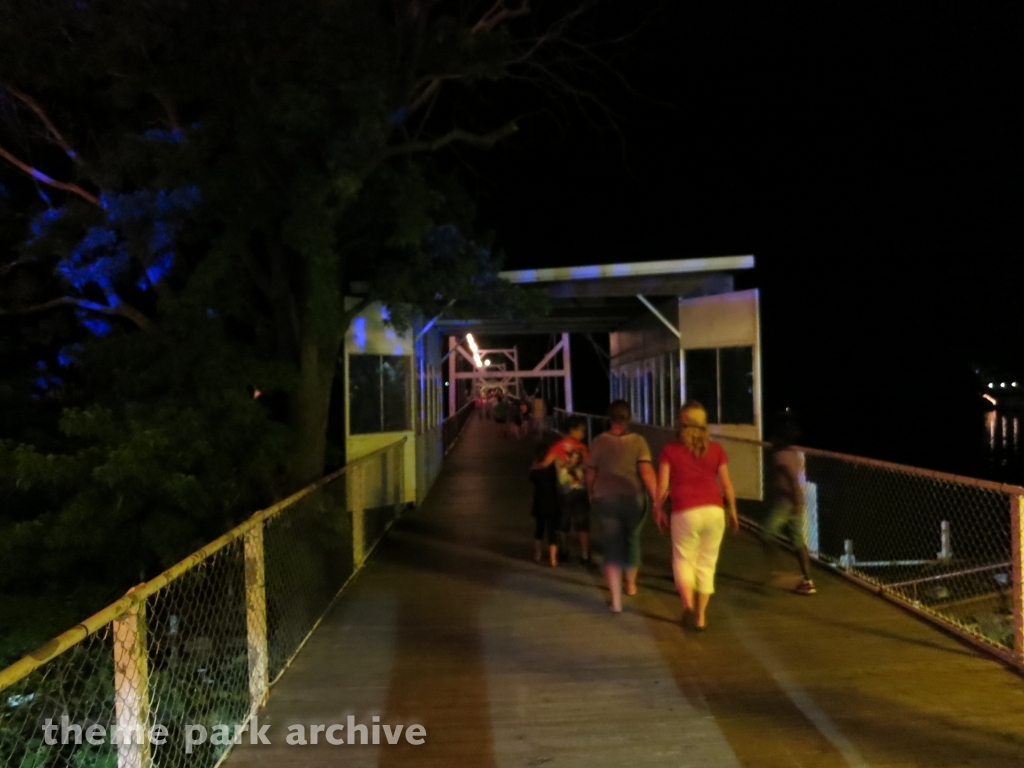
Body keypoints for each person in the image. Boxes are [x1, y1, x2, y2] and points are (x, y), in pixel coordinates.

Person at [656, 401, 739, 630]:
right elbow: (727, 485)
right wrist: (732, 510)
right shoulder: (716, 450)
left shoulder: (670, 450)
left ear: (680, 424)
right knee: (707, 564)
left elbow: (662, 486)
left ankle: (687, 607)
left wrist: (658, 509)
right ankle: (701, 617)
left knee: (683, 559)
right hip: (714, 511)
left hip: (685, 511)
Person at [586, 400, 658, 612]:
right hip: (633, 498)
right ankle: (632, 585)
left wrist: (591, 492)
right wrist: (657, 502)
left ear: (610, 417)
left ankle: (616, 603)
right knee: (632, 539)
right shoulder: (639, 442)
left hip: (605, 499)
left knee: (612, 546)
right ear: (629, 418)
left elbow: (590, 472)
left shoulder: (599, 441)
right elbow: (646, 473)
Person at [761, 415, 816, 594]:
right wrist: (800, 503)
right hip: (794, 503)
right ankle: (808, 581)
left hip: (785, 504)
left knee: (767, 535)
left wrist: (796, 502)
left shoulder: (780, 456)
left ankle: (777, 564)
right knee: (799, 542)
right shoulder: (795, 454)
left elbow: (792, 479)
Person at [544, 415, 592, 565]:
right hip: (581, 490)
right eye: (581, 431)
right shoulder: (583, 448)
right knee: (582, 524)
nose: (582, 434)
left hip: (563, 491)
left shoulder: (557, 446)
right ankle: (585, 555)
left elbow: (546, 463)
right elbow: (589, 468)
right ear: (572, 430)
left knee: (563, 524)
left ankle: (564, 551)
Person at [530, 443, 560, 566]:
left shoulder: (535, 468)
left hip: (539, 501)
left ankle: (538, 554)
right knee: (552, 530)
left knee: (539, 529)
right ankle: (553, 559)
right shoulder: (552, 467)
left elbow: (531, 479)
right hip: (552, 500)